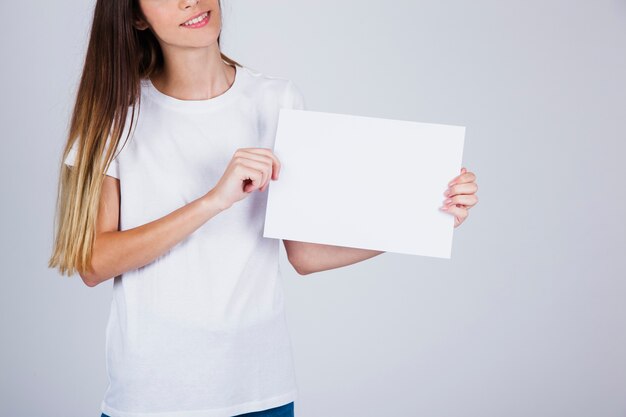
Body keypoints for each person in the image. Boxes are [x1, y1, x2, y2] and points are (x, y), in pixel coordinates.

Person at [48, 0, 479, 416]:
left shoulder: (276, 100)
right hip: (155, 396)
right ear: (136, 18)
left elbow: (306, 255)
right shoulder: (118, 115)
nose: (190, 1)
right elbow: (93, 262)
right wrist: (213, 201)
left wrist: (426, 217)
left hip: (260, 392)